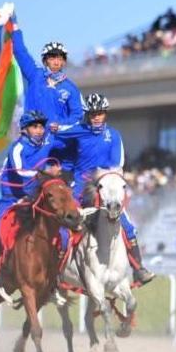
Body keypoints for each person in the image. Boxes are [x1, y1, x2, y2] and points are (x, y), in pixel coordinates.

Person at [56, 93, 155, 285]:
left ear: (105, 114)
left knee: (127, 226)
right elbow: (56, 137)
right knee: (61, 224)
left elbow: (116, 165)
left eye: (100, 113)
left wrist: (101, 179)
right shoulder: (76, 131)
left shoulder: (114, 135)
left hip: (104, 188)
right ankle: (55, 270)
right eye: (92, 114)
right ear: (87, 115)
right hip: (78, 188)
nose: (96, 117)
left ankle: (138, 269)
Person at [0, 110, 61, 300]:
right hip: (12, 198)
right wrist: (45, 173)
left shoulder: (48, 141)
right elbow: (22, 173)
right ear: (25, 130)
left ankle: (55, 278)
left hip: (34, 197)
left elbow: (64, 151)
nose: (39, 130)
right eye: (34, 126)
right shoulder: (17, 148)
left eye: (41, 126)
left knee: (59, 225)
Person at [12, 22, 83, 132]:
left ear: (64, 62)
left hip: (57, 140)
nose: (56, 62)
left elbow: (77, 116)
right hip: (33, 136)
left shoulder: (70, 88)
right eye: (52, 58)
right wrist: (14, 27)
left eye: (59, 59)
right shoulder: (35, 74)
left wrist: (60, 125)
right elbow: (20, 51)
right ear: (45, 61)